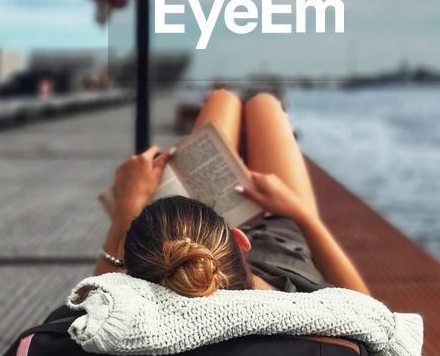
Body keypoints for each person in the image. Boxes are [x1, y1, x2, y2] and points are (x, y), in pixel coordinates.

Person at [91, 88, 370, 298]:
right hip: (284, 228)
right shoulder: (308, 309)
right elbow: (369, 308)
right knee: (264, 104)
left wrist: (127, 205)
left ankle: (227, 95)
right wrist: (301, 213)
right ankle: (245, 99)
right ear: (240, 239)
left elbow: (86, 302)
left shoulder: (154, 300)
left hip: (210, 246)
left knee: (222, 99)